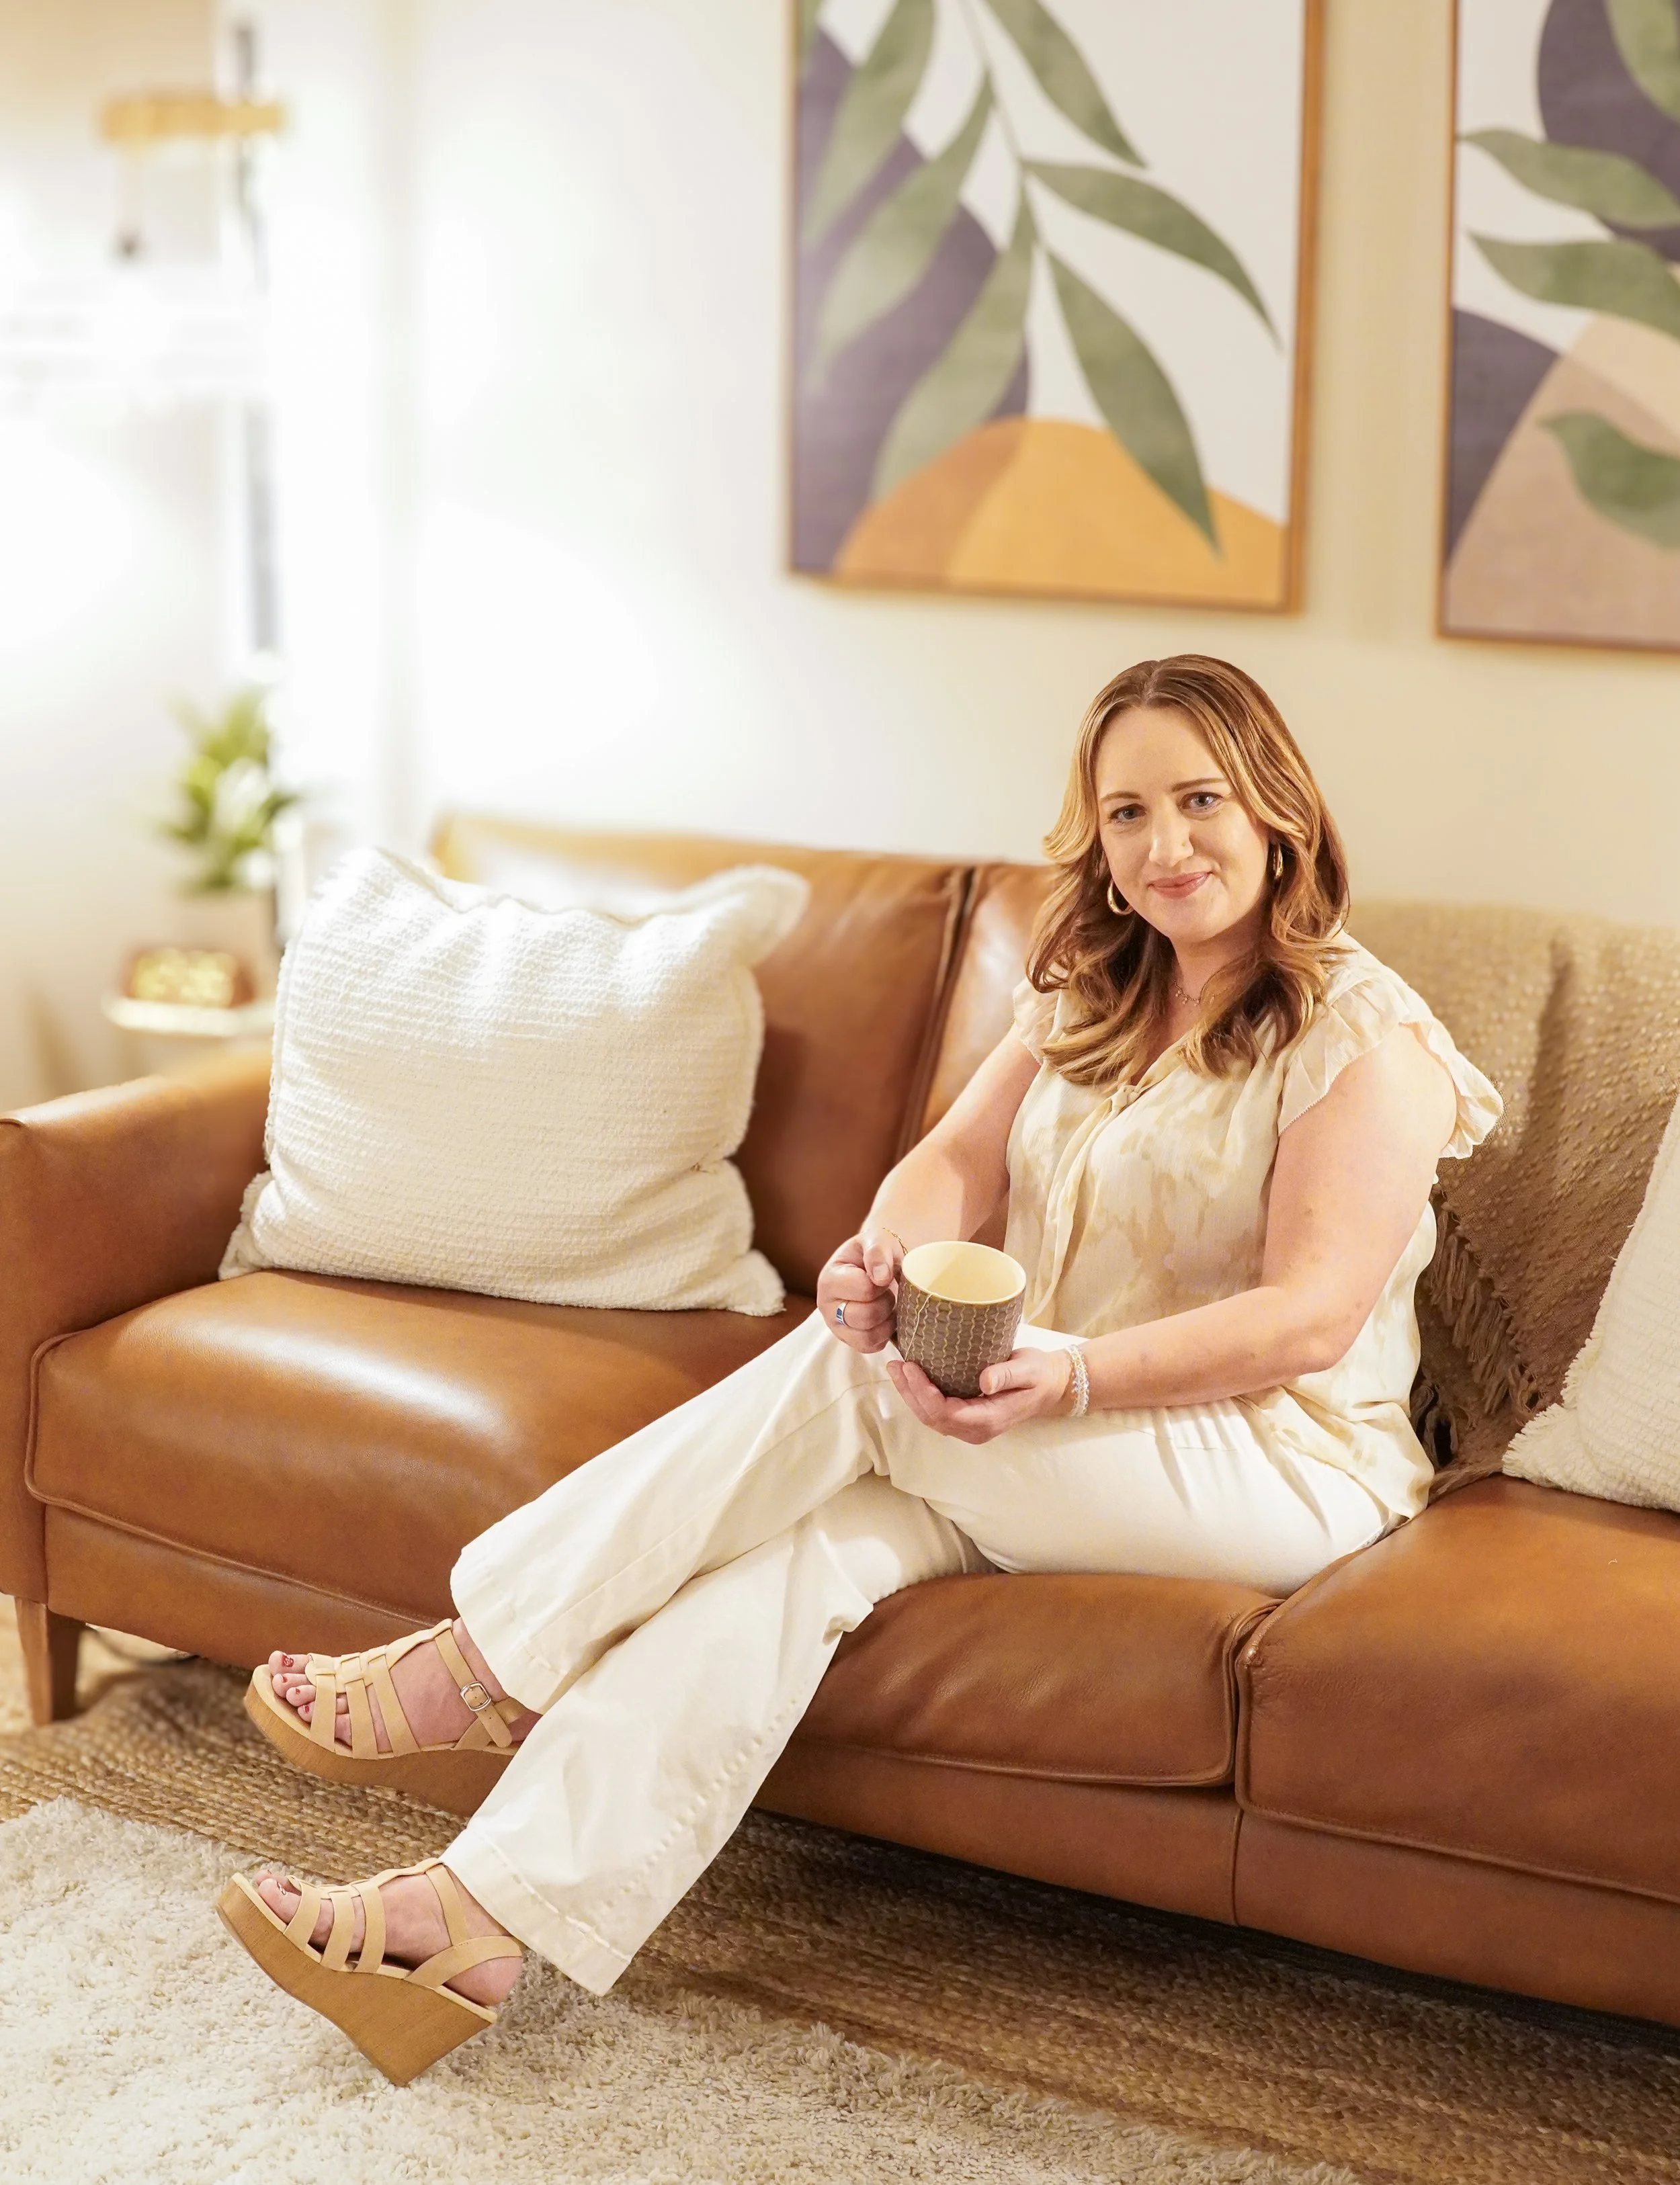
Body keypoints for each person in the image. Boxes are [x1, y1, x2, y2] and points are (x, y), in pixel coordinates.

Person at [215, 654, 1502, 2084]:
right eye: (1125, 811)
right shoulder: (1087, 983)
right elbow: (953, 1161)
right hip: (1042, 1439)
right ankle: (464, 1927)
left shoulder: (1361, 1034)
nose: (1163, 845)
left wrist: (1057, 1381)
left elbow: (1309, 1319)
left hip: (1272, 1463)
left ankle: (483, 1661)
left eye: (1197, 800)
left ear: (1275, 808)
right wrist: (881, 1262)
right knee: (796, 1560)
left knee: (849, 1388)